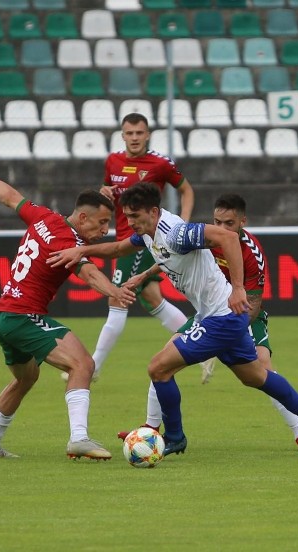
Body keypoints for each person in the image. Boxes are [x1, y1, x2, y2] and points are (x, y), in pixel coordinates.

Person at [49, 183, 298, 457]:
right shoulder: (148, 234)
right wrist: (83, 250)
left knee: (159, 368)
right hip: (219, 316)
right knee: (256, 377)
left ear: (154, 212)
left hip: (221, 317)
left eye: (135, 216)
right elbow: (119, 248)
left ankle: (174, 437)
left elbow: (229, 238)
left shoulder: (177, 232)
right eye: (127, 216)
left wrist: (237, 288)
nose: (131, 222)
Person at [0, 148, 136, 461]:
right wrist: (115, 291)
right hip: (22, 316)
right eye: (101, 223)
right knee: (83, 364)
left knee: (26, 378)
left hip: (3, 316)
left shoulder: (44, 217)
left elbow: (10, 196)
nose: (105, 230)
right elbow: (89, 272)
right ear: (82, 218)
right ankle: (79, 438)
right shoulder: (68, 242)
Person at [118, 194, 298, 453]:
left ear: (243, 222)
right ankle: (150, 431)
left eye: (229, 223)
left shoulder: (250, 252)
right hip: (210, 314)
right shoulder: (208, 236)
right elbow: (171, 257)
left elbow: (252, 302)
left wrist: (222, 337)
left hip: (243, 314)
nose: (221, 228)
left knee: (262, 366)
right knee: (165, 358)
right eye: (217, 221)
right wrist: (144, 273)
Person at [81, 112, 197, 382]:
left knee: (117, 298)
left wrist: (184, 225)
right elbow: (107, 191)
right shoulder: (113, 161)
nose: (134, 138)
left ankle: (93, 367)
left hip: (142, 240)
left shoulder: (160, 163)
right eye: (129, 133)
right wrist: (104, 192)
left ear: (147, 135)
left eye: (139, 133)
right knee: (152, 298)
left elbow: (187, 190)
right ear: (123, 135)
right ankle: (199, 344)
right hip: (123, 239)